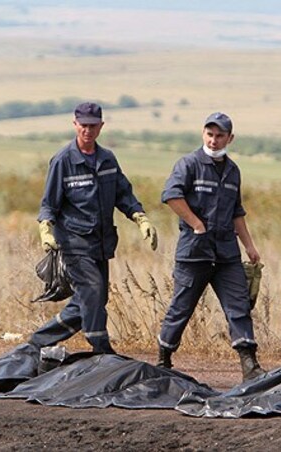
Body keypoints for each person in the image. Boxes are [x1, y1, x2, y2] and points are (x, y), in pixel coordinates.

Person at [31, 101, 158, 354]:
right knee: (93, 290)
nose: (87, 131)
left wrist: (140, 217)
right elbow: (49, 203)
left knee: (94, 299)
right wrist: (45, 228)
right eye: (83, 125)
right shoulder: (63, 161)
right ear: (75, 124)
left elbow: (123, 193)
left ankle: (40, 341)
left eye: (93, 126)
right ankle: (100, 348)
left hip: (101, 243)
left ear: (101, 126)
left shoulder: (107, 160)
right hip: (74, 242)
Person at [156, 112, 265, 382]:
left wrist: (249, 246)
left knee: (239, 306)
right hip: (195, 252)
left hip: (227, 253)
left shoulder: (232, 171)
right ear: (203, 134)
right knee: (182, 307)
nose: (214, 140)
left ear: (230, 138)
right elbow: (171, 195)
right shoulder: (189, 164)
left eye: (220, 136)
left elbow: (236, 212)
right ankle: (163, 359)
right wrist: (195, 223)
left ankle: (249, 365)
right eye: (210, 134)